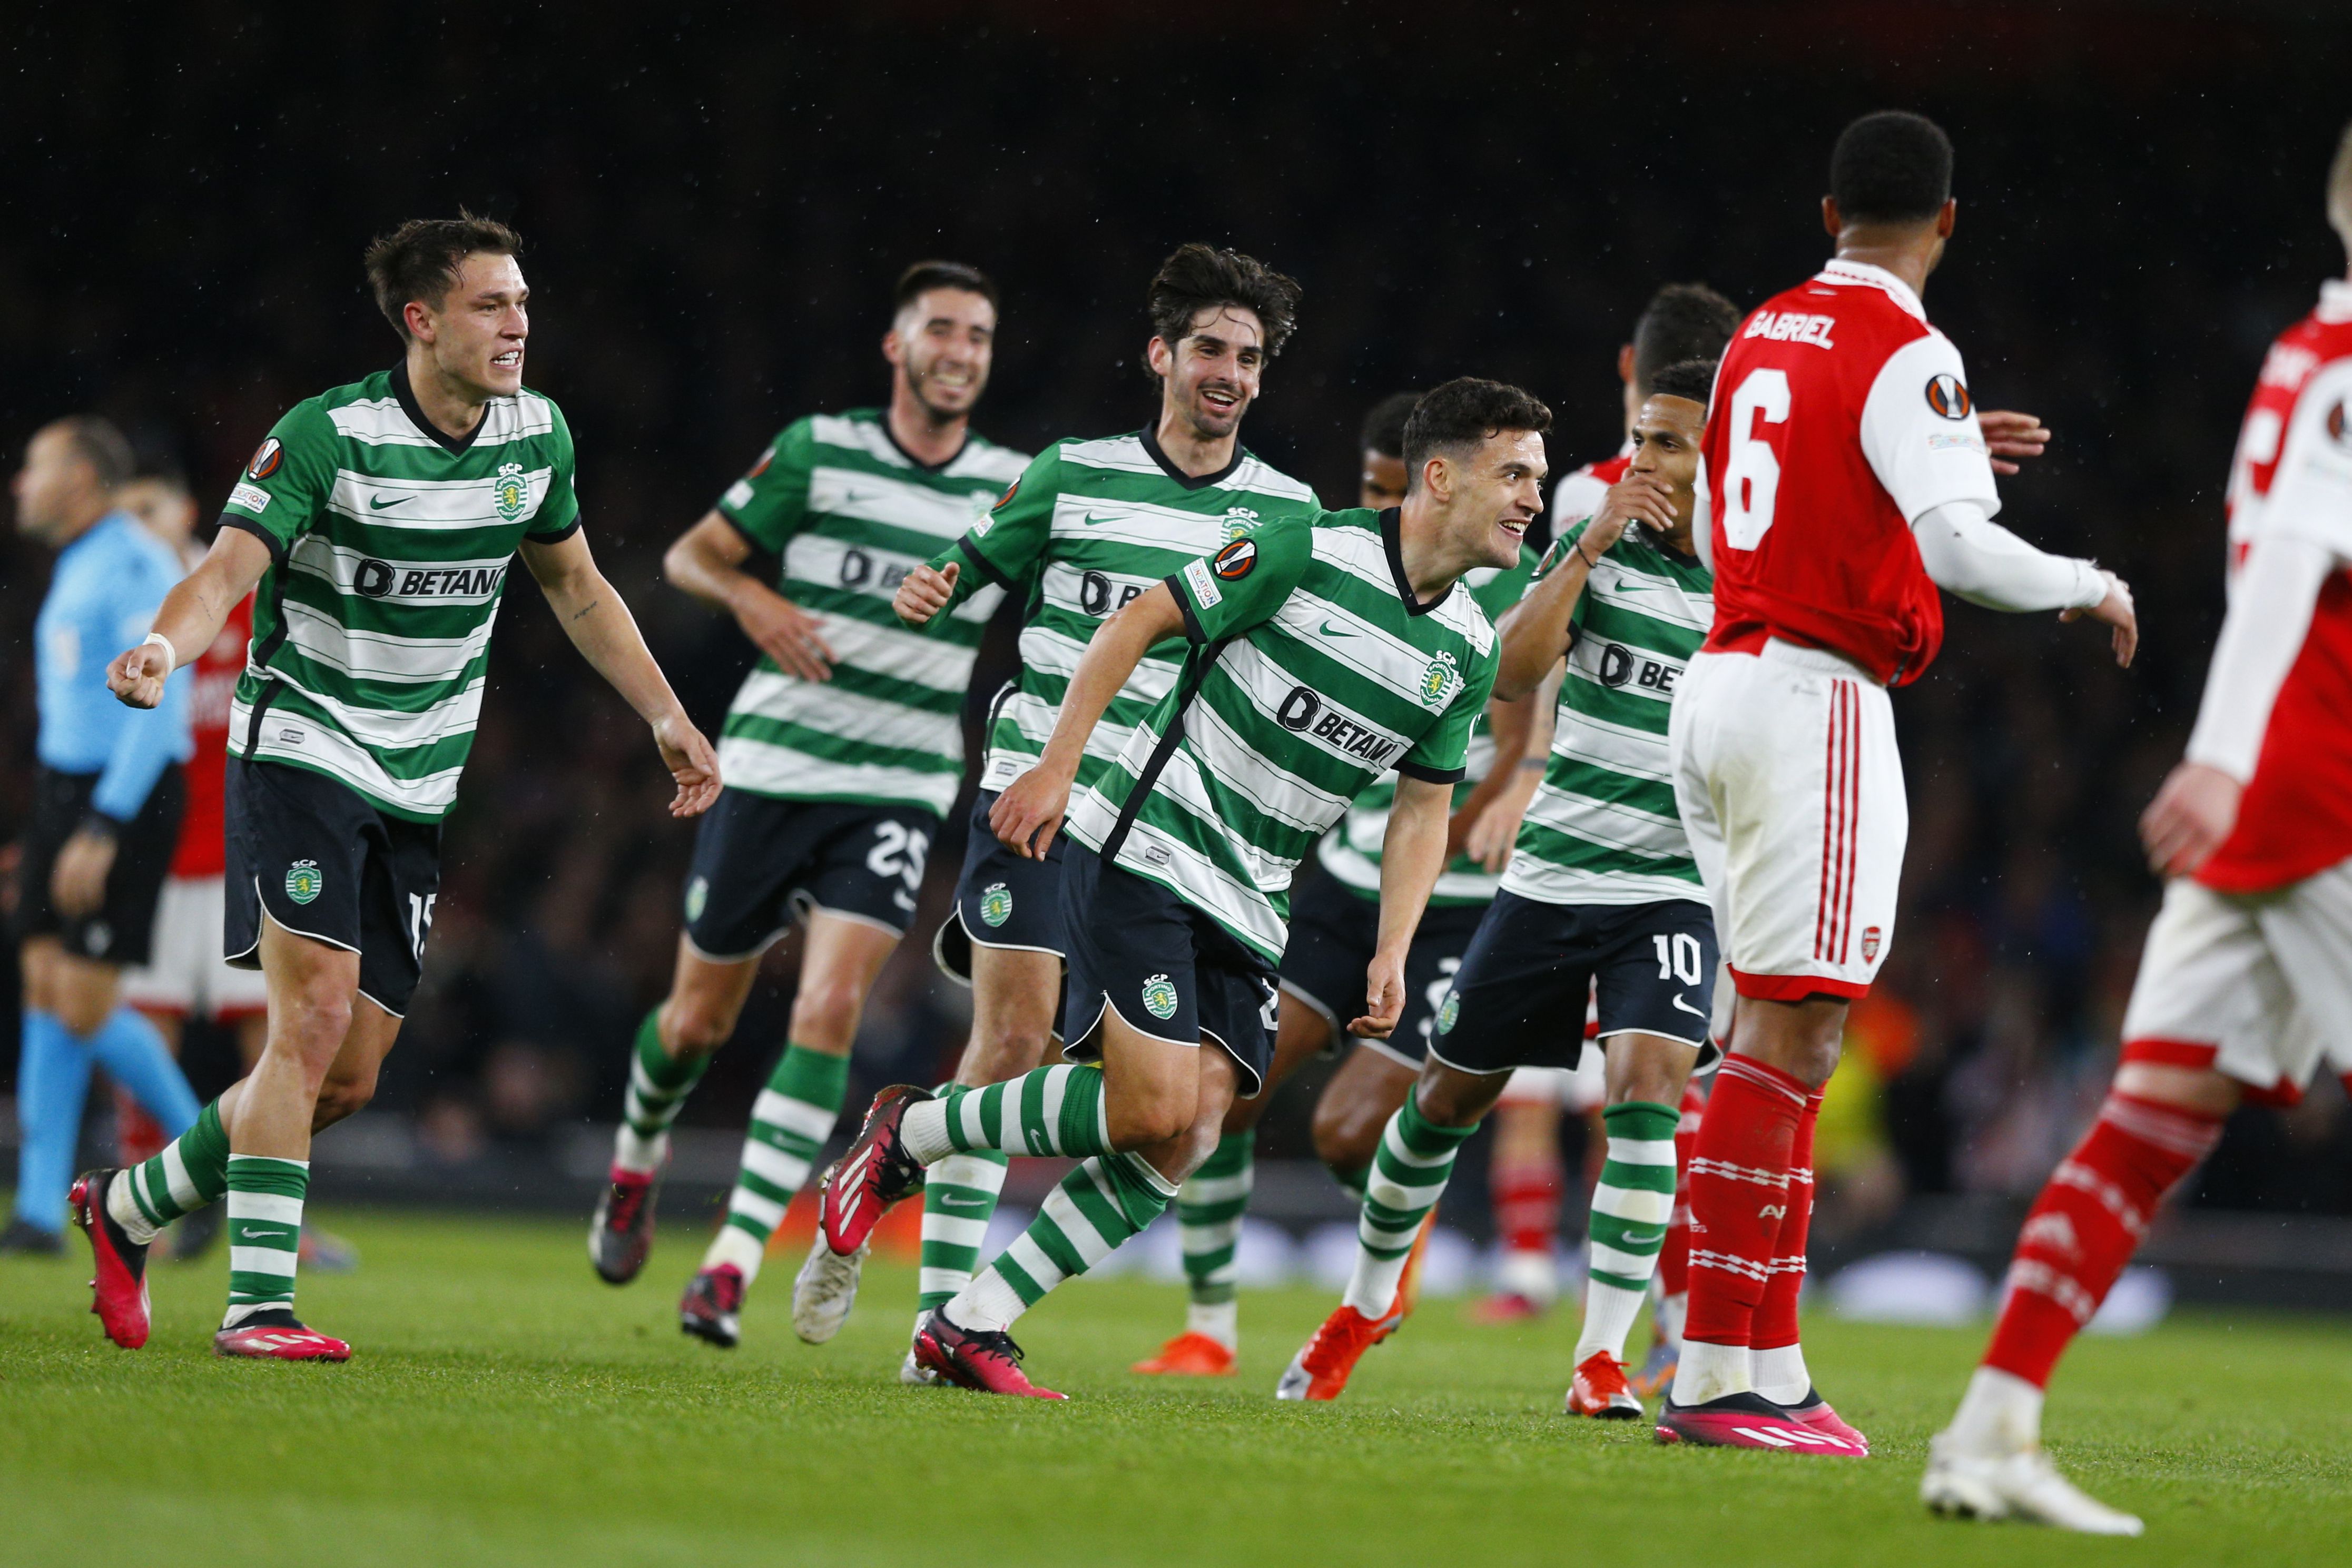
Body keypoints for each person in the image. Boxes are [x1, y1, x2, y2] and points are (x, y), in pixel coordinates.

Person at [75, 213, 720, 1360]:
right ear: (421, 322)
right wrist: (165, 649)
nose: (517, 324)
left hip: (419, 778)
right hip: (304, 747)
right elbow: (227, 567)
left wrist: (666, 713)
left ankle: (125, 1210)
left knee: (347, 1076)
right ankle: (258, 1307)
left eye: (522, 302)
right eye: (490, 304)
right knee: (310, 1021)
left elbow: (575, 589)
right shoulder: (327, 435)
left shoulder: (539, 438)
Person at [822, 376, 1540, 1396]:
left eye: (1536, 479)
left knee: (1189, 1132)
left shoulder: (1465, 648)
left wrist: (1390, 943)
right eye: (1512, 472)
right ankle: (910, 1133)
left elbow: (1423, 809)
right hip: (1146, 839)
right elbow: (1135, 624)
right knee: (1148, 1104)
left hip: (1254, 892)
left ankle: (969, 1318)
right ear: (1438, 475)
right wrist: (1061, 766)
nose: (1529, 498)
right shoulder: (1304, 550)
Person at [1660, 111, 2137, 1449]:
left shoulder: (1760, 328)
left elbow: (1711, 526)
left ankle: (1760, 1364)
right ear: (1944, 223)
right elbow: (1964, 550)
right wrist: (2091, 582)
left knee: (1766, 1033)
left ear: (1827, 216)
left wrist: (1896, 475)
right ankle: (1716, 1374)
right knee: (1796, 1036)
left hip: (1719, 684)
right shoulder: (1904, 346)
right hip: (1811, 696)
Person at [1920, 122, 2352, 1536]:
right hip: (2317, 792)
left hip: (2273, 796)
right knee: (2142, 1128)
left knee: (2148, 1126)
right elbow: (2292, 561)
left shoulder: (2303, 354)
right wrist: (2225, 758)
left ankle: (1989, 1431)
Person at [793, 245, 1318, 1382]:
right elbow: (976, 562)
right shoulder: (1072, 474)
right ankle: (938, 1322)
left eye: (1248, 356)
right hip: (1036, 782)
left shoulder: (1284, 514)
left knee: (1160, 1106)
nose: (1228, 372)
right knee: (1015, 1037)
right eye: (1210, 350)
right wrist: (933, 581)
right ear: (1161, 356)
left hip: (1172, 828)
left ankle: (900, 1152)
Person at [581, 261, 1028, 1350]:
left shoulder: (1014, 485)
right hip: (777, 763)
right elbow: (694, 554)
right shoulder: (823, 449)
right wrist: (755, 596)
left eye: (977, 334)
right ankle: (636, 1160)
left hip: (899, 782)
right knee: (695, 1024)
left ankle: (730, 1264)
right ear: (897, 345)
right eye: (940, 330)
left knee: (830, 1010)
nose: (960, 350)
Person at [1274, 360, 1719, 1411]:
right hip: (1555, 875)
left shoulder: (1763, 582)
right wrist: (1587, 547)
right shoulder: (1591, 546)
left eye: (1669, 442)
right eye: (1640, 438)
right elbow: (1513, 673)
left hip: (1671, 886)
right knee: (1442, 1105)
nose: (1642, 460)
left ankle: (1599, 1358)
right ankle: (1364, 1302)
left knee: (1646, 1099)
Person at [1130, 389, 1538, 1378]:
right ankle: (1209, 1325)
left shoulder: (1492, 594)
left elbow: (1518, 746)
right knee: (1223, 1091)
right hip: (1332, 886)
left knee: (1347, 1132)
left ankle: (1389, 1260)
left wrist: (1490, 797)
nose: (1385, 505)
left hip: (1448, 911)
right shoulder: (1331, 556)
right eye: (1371, 489)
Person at [1475, 282, 1741, 1335]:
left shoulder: (1613, 487)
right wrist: (1529, 768)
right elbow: (1535, 651)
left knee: (1613, 1088)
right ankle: (1647, 1308)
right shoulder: (1596, 500)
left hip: (1643, 836)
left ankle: (1603, 1297)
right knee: (1624, 1091)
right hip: (1593, 815)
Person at [2, 420, 201, 1254]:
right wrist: (47, 827)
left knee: (83, 1000)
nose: (19, 483)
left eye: (34, 467)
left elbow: (157, 716)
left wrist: (103, 826)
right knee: (44, 980)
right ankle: (41, 1209)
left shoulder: (134, 562)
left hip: (125, 794)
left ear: (80, 476)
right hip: (64, 791)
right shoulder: (81, 558)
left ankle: (215, 1158)